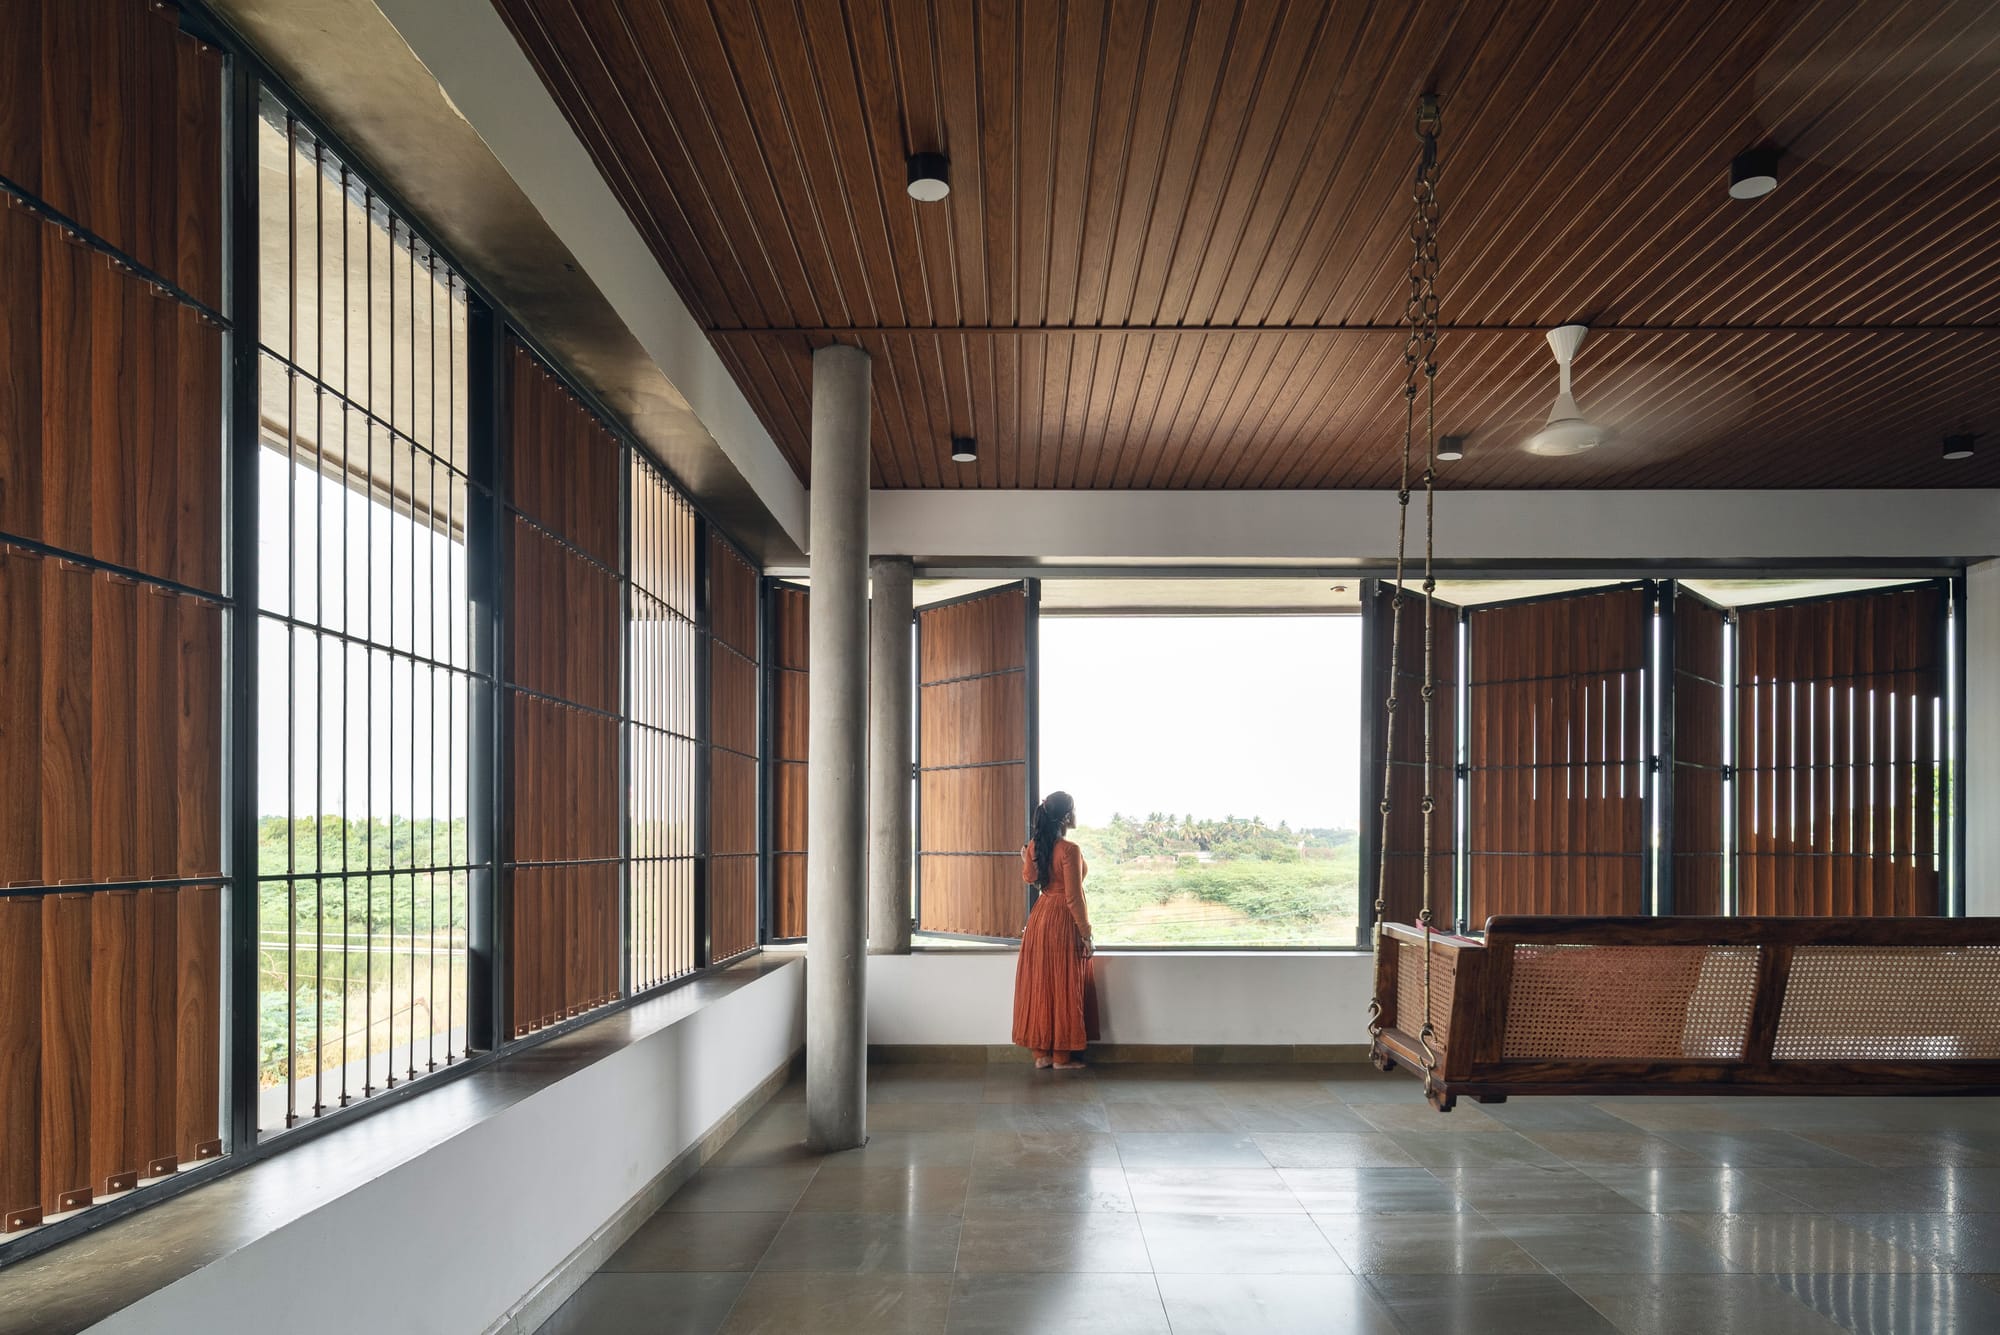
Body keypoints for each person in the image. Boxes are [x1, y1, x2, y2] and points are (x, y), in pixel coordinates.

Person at [1012, 791, 1094, 1070]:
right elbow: (1073, 897)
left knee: (1042, 983)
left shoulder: (1036, 846)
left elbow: (1031, 878)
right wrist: (1086, 933)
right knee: (1063, 983)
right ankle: (1061, 1057)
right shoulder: (1070, 850)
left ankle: (1042, 1055)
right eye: (1075, 810)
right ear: (1067, 816)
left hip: (1040, 917)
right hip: (1061, 920)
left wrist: (1026, 857)